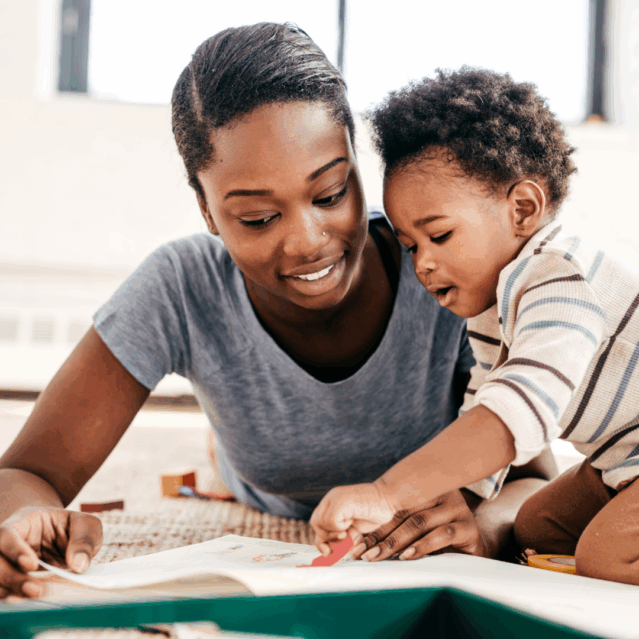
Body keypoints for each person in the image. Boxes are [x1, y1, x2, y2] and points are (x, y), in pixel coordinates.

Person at [0, 29, 554, 599]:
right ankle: (220, 450)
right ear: (207, 210)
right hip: (260, 491)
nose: (308, 242)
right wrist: (23, 524)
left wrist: (484, 524)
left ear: (356, 164)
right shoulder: (181, 287)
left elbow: (534, 479)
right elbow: (25, 474)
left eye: (332, 193)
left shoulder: (446, 271)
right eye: (260, 218)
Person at [309, 67, 639, 585]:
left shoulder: (560, 276)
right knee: (535, 529)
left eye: (439, 235)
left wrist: (389, 492)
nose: (422, 265)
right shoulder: (494, 308)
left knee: (606, 557)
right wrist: (451, 505)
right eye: (411, 246)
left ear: (523, 209)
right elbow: (485, 405)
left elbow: (515, 414)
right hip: (623, 463)